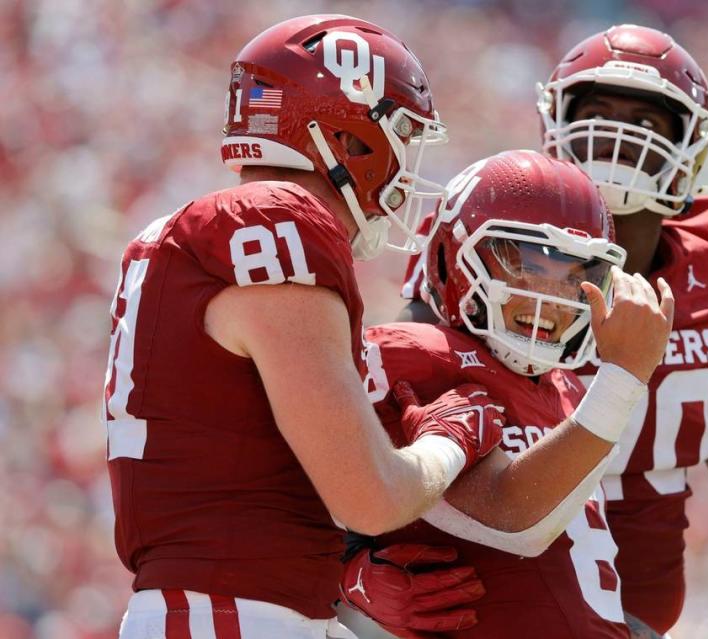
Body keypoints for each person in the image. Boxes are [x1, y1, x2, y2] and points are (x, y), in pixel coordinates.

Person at [396, 25, 708, 636]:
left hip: (631, 617)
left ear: (689, 147)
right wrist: (355, 560)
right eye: (599, 112)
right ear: (556, 122)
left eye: (645, 121)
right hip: (495, 606)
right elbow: (386, 424)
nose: (617, 135)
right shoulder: (488, 232)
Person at [101, 15, 506, 639]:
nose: (406, 162)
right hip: (232, 614)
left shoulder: (186, 234)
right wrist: (452, 437)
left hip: (224, 608)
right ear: (344, 135)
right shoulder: (277, 218)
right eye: (397, 132)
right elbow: (369, 496)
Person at [337, 150, 674, 639]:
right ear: (454, 253)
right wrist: (346, 572)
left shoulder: (570, 390)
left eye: (576, 275)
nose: (551, 295)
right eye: (525, 260)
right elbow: (516, 519)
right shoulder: (412, 354)